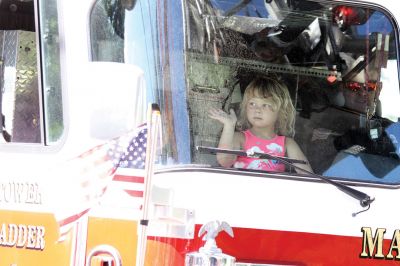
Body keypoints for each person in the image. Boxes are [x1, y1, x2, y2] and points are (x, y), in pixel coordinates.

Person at [209, 77, 313, 173]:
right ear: (245, 107)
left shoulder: (287, 144)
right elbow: (225, 162)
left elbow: (308, 176)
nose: (257, 110)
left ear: (280, 111)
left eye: (265, 105)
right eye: (252, 104)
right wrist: (229, 126)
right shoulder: (240, 138)